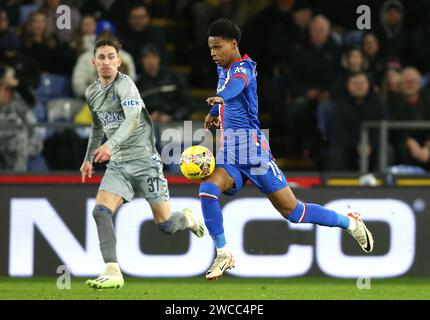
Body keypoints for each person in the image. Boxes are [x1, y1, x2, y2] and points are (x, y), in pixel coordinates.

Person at [200, 19, 374, 280]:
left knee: (293, 212)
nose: (213, 53)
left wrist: (221, 99)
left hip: (254, 152)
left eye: (217, 47)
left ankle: (350, 222)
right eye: (210, 48)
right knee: (207, 189)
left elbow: (234, 89)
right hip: (231, 154)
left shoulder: (244, 68)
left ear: (233, 44)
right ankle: (224, 252)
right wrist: (215, 111)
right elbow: (227, 96)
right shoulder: (222, 69)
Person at [81, 37, 204, 289]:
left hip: (144, 161)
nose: (106, 62)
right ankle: (113, 271)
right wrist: (87, 158)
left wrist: (109, 145)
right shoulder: (92, 92)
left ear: (119, 62)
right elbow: (96, 127)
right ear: (94, 62)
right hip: (118, 165)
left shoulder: (126, 85)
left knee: (167, 225)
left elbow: (133, 120)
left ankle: (188, 219)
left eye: (111, 57)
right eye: (101, 57)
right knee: (100, 212)